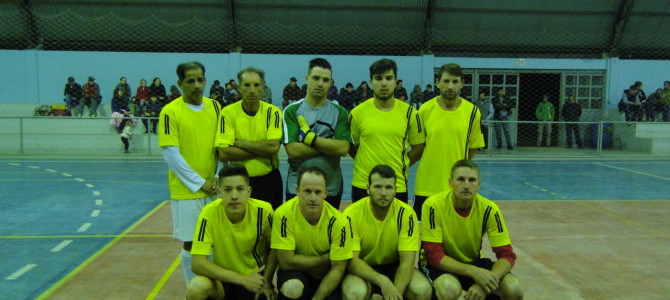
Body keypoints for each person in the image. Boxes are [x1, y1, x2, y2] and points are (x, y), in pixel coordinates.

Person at [421, 160, 524, 300]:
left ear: (478, 184)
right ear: (450, 182)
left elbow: (507, 255)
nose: (466, 185)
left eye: (472, 180)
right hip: (441, 265)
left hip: (473, 261)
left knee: (513, 288)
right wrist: (474, 272)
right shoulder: (433, 206)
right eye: (460, 179)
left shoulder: (489, 209)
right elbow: (434, 255)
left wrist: (485, 283)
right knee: (449, 289)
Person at [158, 61, 222, 284]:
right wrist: (199, 182)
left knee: (215, 241)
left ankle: (213, 288)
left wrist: (217, 176)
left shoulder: (215, 107)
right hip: (187, 191)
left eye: (200, 80)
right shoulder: (170, 112)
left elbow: (220, 146)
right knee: (192, 242)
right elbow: (171, 155)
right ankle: (192, 288)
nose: (196, 85)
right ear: (180, 83)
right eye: (190, 81)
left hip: (213, 188)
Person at [342, 164, 432, 300]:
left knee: (422, 290)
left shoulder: (406, 214)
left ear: (395, 190)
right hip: (362, 270)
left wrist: (394, 294)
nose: (383, 193)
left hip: (394, 267)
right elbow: (353, 262)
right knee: (355, 293)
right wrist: (382, 281)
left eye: (388, 187)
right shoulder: (352, 214)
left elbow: (407, 262)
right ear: (368, 189)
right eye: (378, 187)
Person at [186, 164, 277, 300]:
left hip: (255, 279)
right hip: (223, 280)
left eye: (240, 189)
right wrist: (242, 279)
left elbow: (277, 248)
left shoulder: (264, 211)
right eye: (228, 190)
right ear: (219, 192)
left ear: (249, 191)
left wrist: (267, 280)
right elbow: (197, 263)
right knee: (197, 287)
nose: (234, 196)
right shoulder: (209, 213)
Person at [414, 63, 484, 221]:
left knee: (455, 238)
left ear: (462, 83)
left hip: (457, 187)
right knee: (425, 238)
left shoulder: (472, 112)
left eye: (454, 81)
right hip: (426, 186)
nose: (450, 86)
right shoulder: (425, 110)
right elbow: (418, 146)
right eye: (445, 81)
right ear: (437, 82)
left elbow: (471, 149)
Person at [348, 58, 425, 203]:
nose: (384, 83)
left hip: (396, 185)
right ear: (371, 82)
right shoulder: (357, 113)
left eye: (389, 78)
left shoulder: (410, 114)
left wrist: (403, 162)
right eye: (378, 78)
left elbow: (419, 147)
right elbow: (353, 147)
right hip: (362, 184)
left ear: (396, 82)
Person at [271, 166, 352, 300]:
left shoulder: (339, 222)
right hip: (296, 273)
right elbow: (285, 262)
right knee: (292, 288)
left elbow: (337, 269)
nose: (312, 198)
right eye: (307, 191)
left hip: (326, 276)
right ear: (297, 191)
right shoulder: (283, 215)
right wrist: (324, 259)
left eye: (318, 192)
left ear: (325, 193)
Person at [283, 58, 351, 211]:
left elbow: (343, 149)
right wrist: (328, 143)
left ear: (331, 83)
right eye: (316, 78)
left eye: (325, 80)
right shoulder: (292, 111)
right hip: (296, 187)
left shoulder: (339, 112)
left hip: (331, 188)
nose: (320, 83)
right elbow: (293, 151)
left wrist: (309, 139)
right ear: (307, 79)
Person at [217, 67, 284, 209]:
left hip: (269, 182)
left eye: (256, 85)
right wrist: (262, 151)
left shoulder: (274, 113)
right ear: (239, 88)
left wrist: (239, 143)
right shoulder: (227, 113)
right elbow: (223, 153)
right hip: (238, 183)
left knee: (270, 227)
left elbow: (272, 149)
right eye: (247, 85)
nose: (252, 90)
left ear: (263, 88)